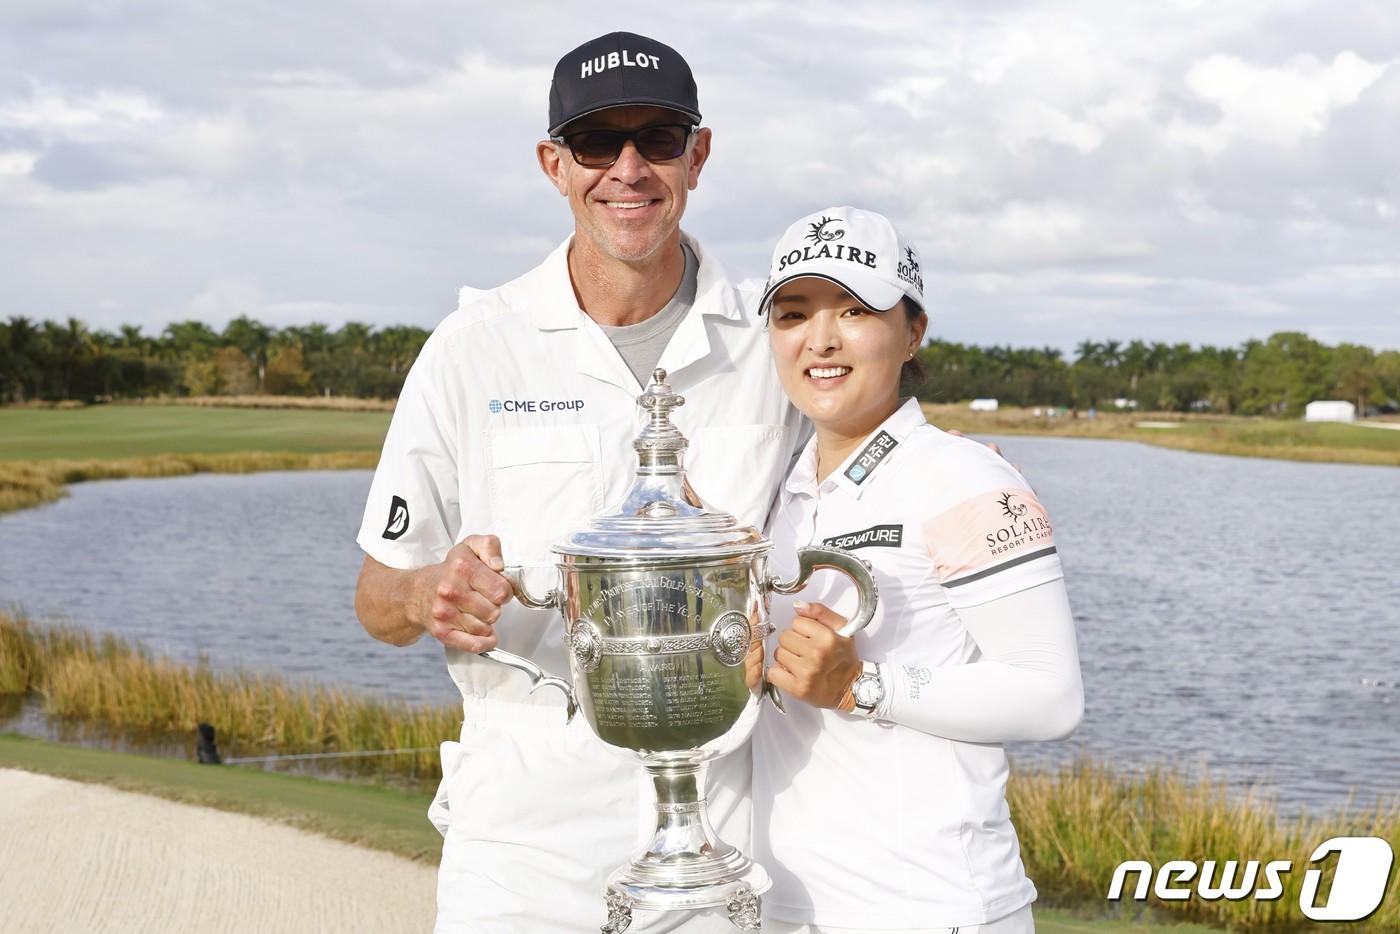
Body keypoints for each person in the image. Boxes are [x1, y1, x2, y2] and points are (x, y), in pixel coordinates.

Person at [353, 32, 804, 932]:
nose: (628, 169)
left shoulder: (773, 340)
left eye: (659, 139)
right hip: (522, 842)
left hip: (722, 832)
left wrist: (952, 471)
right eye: (598, 143)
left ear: (698, 156)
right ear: (554, 163)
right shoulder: (473, 347)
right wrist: (428, 594)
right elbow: (376, 594)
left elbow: (873, 449)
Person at [751, 206, 1084, 934]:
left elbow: (1051, 697)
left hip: (930, 906)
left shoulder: (964, 477)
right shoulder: (778, 484)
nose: (821, 339)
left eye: (855, 310)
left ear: (912, 331)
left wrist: (861, 685)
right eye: (794, 313)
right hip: (789, 905)